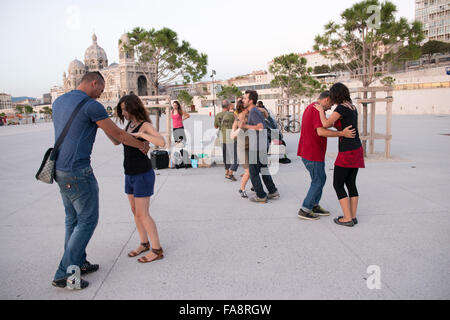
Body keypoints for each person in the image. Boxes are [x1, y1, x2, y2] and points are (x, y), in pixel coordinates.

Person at [51, 72, 150, 290]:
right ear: (94, 83)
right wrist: (142, 145)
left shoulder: (59, 102)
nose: (100, 95)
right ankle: (65, 273)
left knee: (72, 220)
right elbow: (120, 136)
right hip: (78, 172)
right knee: (87, 221)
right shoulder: (90, 105)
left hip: (59, 170)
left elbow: (110, 137)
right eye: (101, 90)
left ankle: (78, 262)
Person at [107, 95, 166, 262]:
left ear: (133, 108)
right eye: (122, 110)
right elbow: (117, 142)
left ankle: (157, 249)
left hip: (142, 173)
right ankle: (144, 243)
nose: (123, 113)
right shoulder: (128, 125)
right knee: (135, 212)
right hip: (130, 174)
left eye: (125, 109)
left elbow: (162, 142)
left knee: (143, 213)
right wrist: (107, 131)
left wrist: (142, 135)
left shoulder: (144, 125)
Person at [297, 91, 356, 221]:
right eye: (331, 104)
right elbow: (321, 131)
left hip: (311, 152)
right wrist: (342, 133)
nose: (331, 107)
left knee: (319, 179)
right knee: (319, 180)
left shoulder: (313, 107)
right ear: (327, 100)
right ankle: (305, 209)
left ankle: (314, 205)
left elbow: (323, 127)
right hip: (312, 153)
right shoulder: (316, 110)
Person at [315, 83, 365, 227]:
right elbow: (336, 124)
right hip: (356, 148)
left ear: (336, 95)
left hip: (347, 151)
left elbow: (325, 124)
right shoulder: (352, 107)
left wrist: (320, 110)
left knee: (337, 184)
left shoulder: (341, 108)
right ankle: (353, 216)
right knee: (350, 183)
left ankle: (347, 218)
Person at [241, 90, 279, 203]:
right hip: (261, 145)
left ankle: (261, 196)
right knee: (264, 169)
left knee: (253, 172)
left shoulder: (253, 111)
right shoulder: (255, 111)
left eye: (245, 98)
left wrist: (245, 125)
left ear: (251, 100)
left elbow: (260, 126)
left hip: (257, 147)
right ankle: (273, 191)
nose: (243, 100)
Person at [215, 100, 239, 181]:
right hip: (232, 138)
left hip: (222, 138)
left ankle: (227, 171)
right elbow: (238, 125)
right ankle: (230, 173)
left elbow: (215, 126)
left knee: (226, 156)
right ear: (228, 106)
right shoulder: (232, 115)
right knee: (236, 157)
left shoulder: (218, 115)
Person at [231, 100, 250, 198]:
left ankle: (255, 186)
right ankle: (242, 189)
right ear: (242, 108)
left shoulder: (250, 116)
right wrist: (240, 128)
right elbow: (232, 136)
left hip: (251, 147)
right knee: (248, 171)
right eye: (246, 106)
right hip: (242, 148)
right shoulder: (237, 120)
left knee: (255, 169)